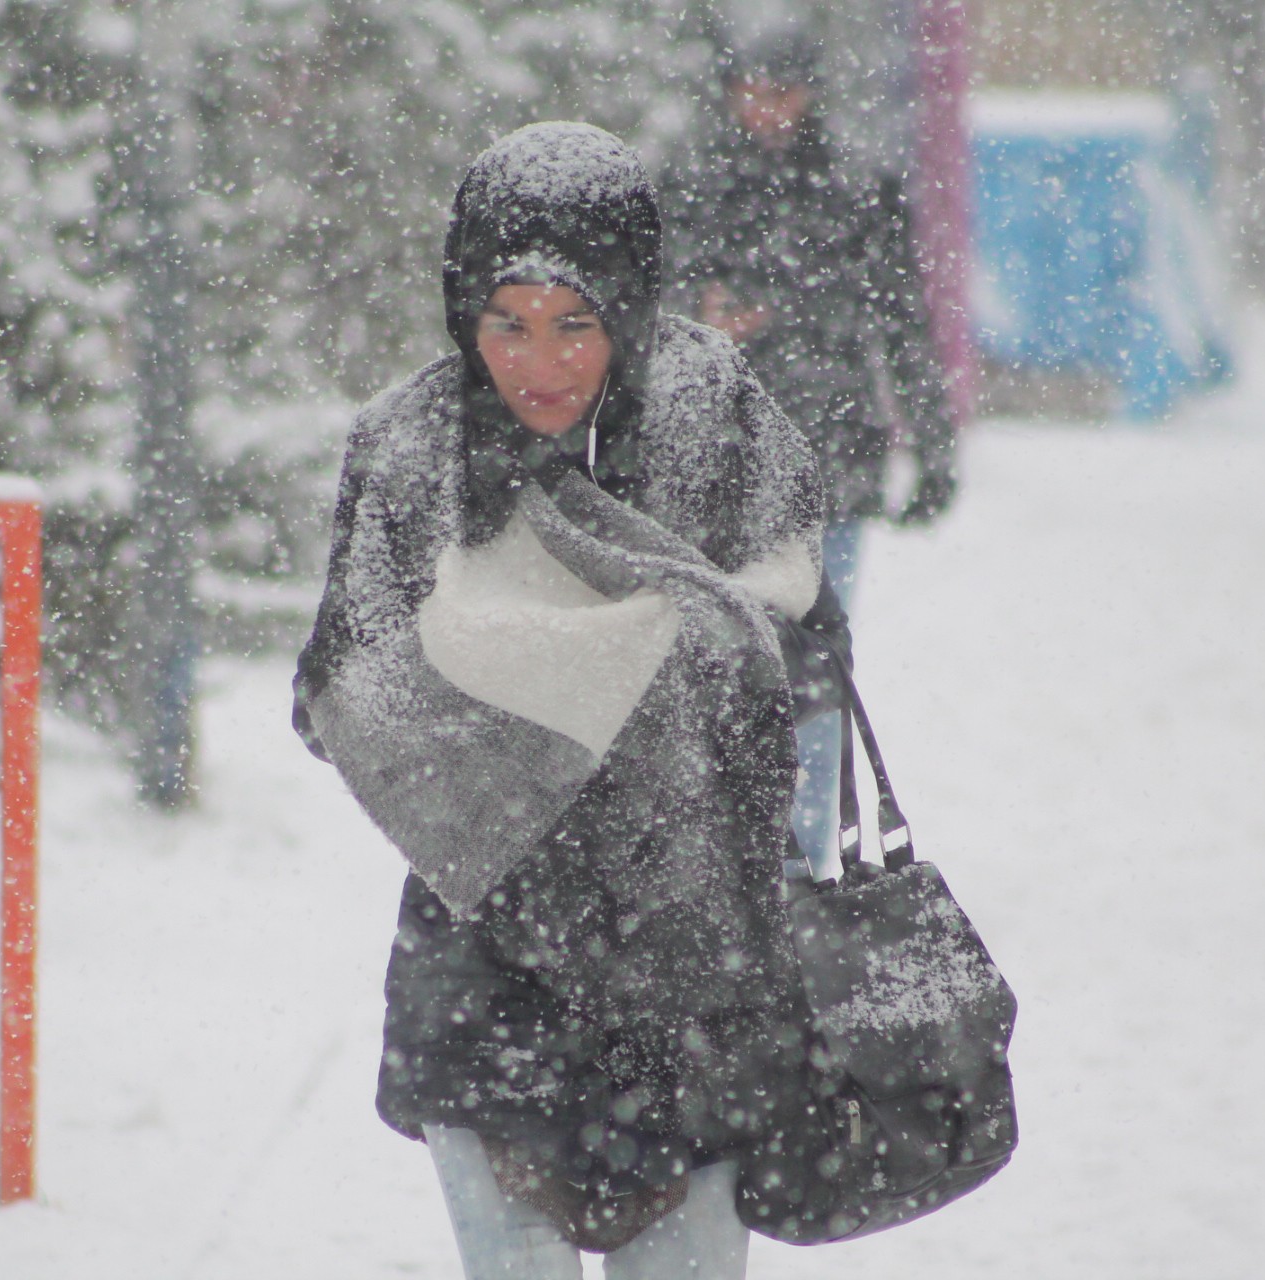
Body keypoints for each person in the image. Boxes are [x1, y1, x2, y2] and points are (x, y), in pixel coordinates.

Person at [293, 122, 847, 1277]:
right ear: (464, 312)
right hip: (489, 960)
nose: (539, 363)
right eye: (507, 322)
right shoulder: (410, 452)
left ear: (631, 309)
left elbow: (796, 659)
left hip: (690, 973)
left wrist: (599, 669)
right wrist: (525, 715)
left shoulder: (713, 419)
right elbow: (340, 693)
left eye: (575, 323)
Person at [666, 29, 958, 875]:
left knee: (815, 670)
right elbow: (642, 317)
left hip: (828, 464)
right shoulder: (692, 189)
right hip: (710, 470)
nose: (768, 110)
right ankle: (731, 861)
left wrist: (931, 450)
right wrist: (705, 315)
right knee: (711, 671)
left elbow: (904, 327)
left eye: (784, 91)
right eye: (754, 91)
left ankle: (799, 865)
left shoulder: (857, 193)